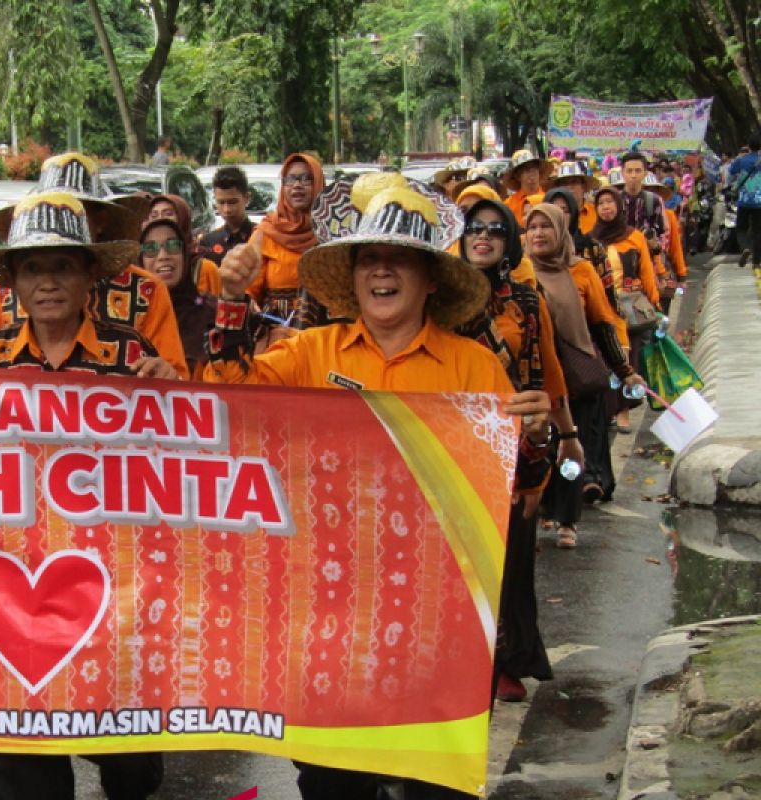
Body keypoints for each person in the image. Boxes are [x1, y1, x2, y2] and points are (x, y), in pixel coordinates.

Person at [205, 186, 549, 800]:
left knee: (436, 786)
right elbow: (229, 395)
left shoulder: (474, 368)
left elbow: (517, 491)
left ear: (431, 279)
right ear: (355, 276)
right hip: (331, 616)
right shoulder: (310, 354)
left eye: (401, 257)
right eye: (369, 258)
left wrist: (536, 437)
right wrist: (232, 300)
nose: (382, 269)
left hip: (439, 621)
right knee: (334, 784)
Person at [0, 192, 171, 799]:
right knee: (30, 775)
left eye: (63, 265)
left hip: (114, 590)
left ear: (90, 274)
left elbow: (183, 467)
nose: (48, 281)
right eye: (33, 267)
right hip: (10, 590)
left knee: (132, 771)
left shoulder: (134, 357)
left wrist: (177, 389)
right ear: (10, 280)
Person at [457, 199, 573, 703]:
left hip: (517, 442)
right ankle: (462, 662)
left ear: (509, 240)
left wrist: (564, 436)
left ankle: (506, 662)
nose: (482, 237)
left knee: (512, 558)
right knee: (459, 561)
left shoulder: (526, 302)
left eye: (494, 230)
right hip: (454, 440)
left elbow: (548, 373)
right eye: (473, 229)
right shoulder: (438, 299)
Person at [0, 152, 188, 378]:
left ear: (100, 220)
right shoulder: (2, 295)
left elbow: (174, 386)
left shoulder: (145, 290)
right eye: (32, 270)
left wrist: (168, 379)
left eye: (73, 208)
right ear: (13, 278)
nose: (58, 220)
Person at [528, 204, 642, 549]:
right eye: (531, 227)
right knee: (536, 448)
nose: (537, 234)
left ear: (562, 231)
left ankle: (568, 520)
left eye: (545, 227)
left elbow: (601, 323)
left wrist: (625, 372)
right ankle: (541, 510)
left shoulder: (581, 270)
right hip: (534, 377)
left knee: (570, 450)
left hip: (576, 376)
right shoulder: (518, 272)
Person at [589, 186, 659, 433]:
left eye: (610, 202)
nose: (606, 207)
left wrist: (654, 303)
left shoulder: (633, 236)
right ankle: (610, 408)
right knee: (605, 360)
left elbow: (647, 272)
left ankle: (624, 410)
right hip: (602, 309)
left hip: (629, 310)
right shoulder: (592, 238)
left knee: (628, 359)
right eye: (601, 203)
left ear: (619, 206)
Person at [247, 153, 325, 323]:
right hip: (277, 333)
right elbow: (248, 289)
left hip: (325, 335)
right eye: (291, 179)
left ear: (318, 183)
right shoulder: (266, 232)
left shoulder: (331, 231)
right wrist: (249, 303)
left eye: (306, 179)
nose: (297, 185)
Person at [138, 213, 217, 379]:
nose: (163, 256)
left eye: (173, 245)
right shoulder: (128, 318)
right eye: (150, 249)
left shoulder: (212, 312)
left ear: (184, 254)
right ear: (140, 260)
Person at [196, 166, 255, 266]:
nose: (227, 209)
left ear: (246, 198)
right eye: (221, 202)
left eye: (232, 202)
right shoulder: (208, 242)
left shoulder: (262, 237)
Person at [727, 134, 761, 269]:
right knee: (758, 231)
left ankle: (745, 248)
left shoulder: (741, 160)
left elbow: (730, 173)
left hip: (744, 201)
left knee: (741, 228)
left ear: (748, 146)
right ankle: (757, 262)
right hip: (759, 202)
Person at [544, 162, 600, 234]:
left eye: (574, 182)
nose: (569, 187)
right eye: (564, 183)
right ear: (557, 188)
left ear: (583, 186)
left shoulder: (597, 212)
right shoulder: (550, 214)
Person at [503, 150, 552, 225]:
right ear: (518, 176)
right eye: (527, 170)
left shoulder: (549, 199)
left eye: (534, 169)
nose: (532, 174)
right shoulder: (509, 204)